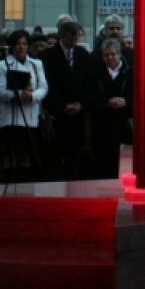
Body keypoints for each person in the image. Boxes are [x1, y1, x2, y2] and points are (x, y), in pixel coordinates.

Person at [0, 29, 49, 183]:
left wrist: (32, 96)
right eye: (18, 44)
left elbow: (43, 87)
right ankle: (9, 182)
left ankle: (24, 185)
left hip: (30, 118)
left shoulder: (36, 64)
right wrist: (19, 94)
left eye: (24, 44)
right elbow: (0, 92)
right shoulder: (3, 65)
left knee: (26, 156)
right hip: (11, 119)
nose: (21, 47)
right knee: (11, 156)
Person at [39, 20, 90, 179]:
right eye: (70, 39)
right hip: (57, 115)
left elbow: (88, 82)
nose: (73, 42)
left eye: (76, 38)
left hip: (78, 115)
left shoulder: (82, 54)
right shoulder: (47, 56)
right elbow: (46, 84)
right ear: (62, 37)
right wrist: (62, 106)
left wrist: (81, 104)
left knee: (74, 157)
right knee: (55, 156)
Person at [84, 38, 133, 179]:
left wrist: (126, 101)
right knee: (102, 166)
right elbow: (89, 98)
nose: (110, 58)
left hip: (125, 125)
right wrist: (106, 102)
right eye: (106, 55)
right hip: (102, 127)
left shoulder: (131, 72)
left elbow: (139, 96)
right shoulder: (95, 74)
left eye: (113, 54)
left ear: (119, 54)